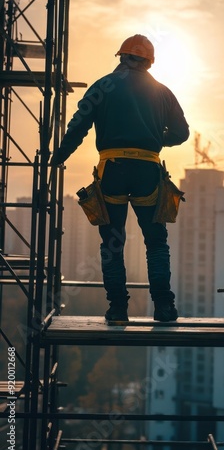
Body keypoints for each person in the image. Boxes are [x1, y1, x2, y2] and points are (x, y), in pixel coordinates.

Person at [51, 34, 190, 322]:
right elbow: (181, 133)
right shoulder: (162, 92)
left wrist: (59, 156)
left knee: (112, 242)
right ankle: (164, 308)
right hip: (148, 172)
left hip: (112, 169)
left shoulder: (104, 85)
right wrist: (154, 138)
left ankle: (117, 309)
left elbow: (79, 125)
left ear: (123, 57)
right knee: (156, 242)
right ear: (149, 63)